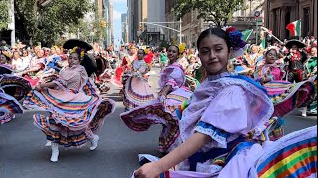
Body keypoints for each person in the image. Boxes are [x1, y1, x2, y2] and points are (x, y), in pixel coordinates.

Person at [133, 27, 275, 178]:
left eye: (218, 49)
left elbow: (203, 136)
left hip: (226, 164)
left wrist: (158, 166)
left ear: (229, 51)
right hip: (203, 160)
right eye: (205, 51)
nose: (212, 56)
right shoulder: (210, 84)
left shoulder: (232, 90)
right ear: (199, 55)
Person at [23, 47, 115, 162]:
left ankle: (93, 138)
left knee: (78, 124)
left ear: (79, 61)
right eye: (70, 58)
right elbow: (58, 82)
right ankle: (55, 151)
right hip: (61, 98)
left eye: (75, 59)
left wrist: (43, 85)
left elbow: (62, 82)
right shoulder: (64, 70)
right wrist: (44, 86)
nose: (71, 60)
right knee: (54, 122)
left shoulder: (80, 70)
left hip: (74, 98)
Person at [120, 45, 193, 153]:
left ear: (178, 54)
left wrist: (163, 93)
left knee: (172, 119)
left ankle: (179, 148)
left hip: (175, 95)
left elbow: (171, 82)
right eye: (169, 51)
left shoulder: (176, 66)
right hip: (168, 93)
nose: (171, 53)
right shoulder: (170, 65)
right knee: (168, 120)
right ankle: (172, 147)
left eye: (174, 52)